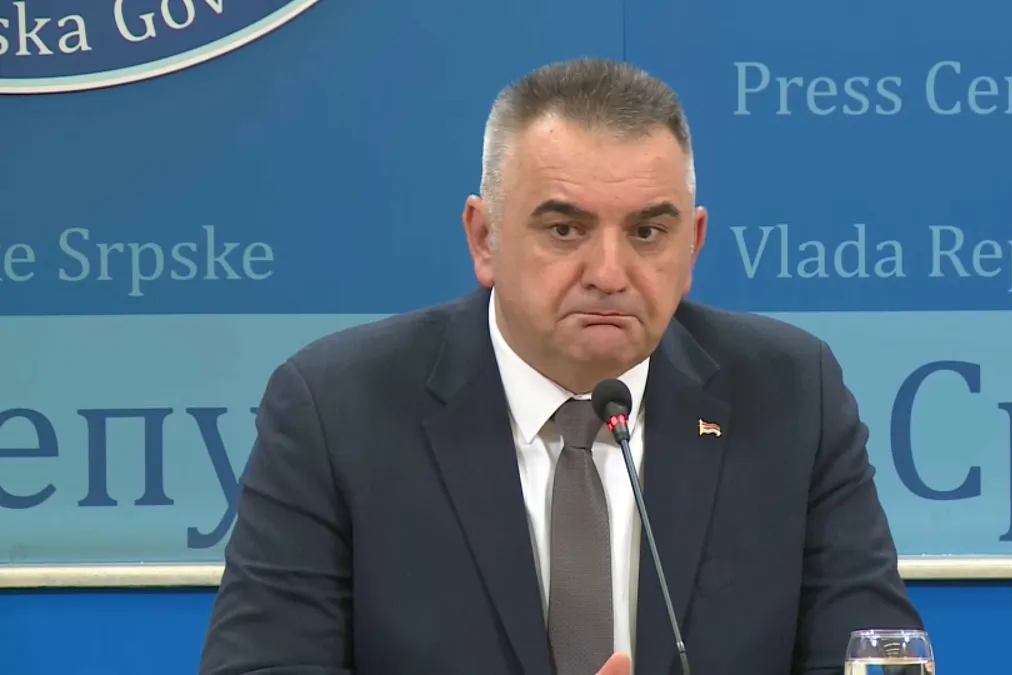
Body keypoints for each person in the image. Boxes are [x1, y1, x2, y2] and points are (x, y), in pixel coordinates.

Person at [198, 57, 923, 675]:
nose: (609, 272)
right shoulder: (336, 411)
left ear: (693, 247)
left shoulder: (790, 396)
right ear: (484, 238)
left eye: (648, 232)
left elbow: (871, 655)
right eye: (565, 228)